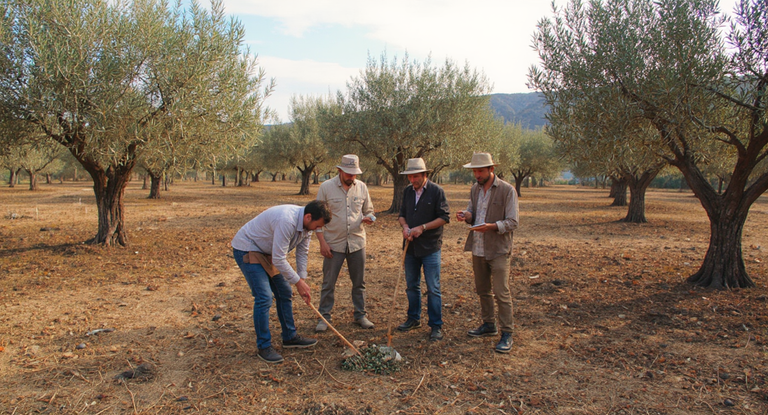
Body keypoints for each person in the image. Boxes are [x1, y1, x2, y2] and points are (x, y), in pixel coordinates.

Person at [231, 200, 332, 363]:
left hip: (266, 251)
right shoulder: (287, 220)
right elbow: (279, 258)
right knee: (264, 297)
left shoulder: (308, 225)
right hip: (248, 247)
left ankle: (290, 337)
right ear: (308, 217)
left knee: (284, 292)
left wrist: (302, 280)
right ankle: (264, 346)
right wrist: (298, 282)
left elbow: (302, 252)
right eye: (317, 225)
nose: (317, 229)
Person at [456, 152, 519, 354]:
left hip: (499, 249)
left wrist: (491, 226)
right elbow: (472, 212)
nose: (477, 174)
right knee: (482, 290)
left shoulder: (507, 190)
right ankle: (489, 325)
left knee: (501, 292)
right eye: (474, 171)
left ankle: (507, 333)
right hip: (478, 247)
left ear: (492, 169)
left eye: (480, 170)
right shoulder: (475, 189)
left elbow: (513, 222)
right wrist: (466, 216)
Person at [314, 154, 376, 332]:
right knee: (328, 282)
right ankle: (323, 318)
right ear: (340, 171)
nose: (351, 177)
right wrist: (322, 243)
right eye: (348, 173)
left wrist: (370, 218)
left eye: (354, 173)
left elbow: (369, 210)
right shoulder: (326, 188)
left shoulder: (362, 188)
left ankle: (360, 315)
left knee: (359, 283)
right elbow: (317, 218)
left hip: (357, 242)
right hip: (333, 243)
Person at [396, 158, 450, 341]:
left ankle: (436, 325)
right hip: (410, 247)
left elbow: (444, 218)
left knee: (433, 288)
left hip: (430, 248)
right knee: (412, 286)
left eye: (416, 176)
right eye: (410, 176)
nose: (413, 179)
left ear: (425, 175)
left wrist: (423, 228)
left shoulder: (436, 192)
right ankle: (413, 318)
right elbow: (402, 215)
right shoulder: (407, 192)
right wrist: (405, 227)